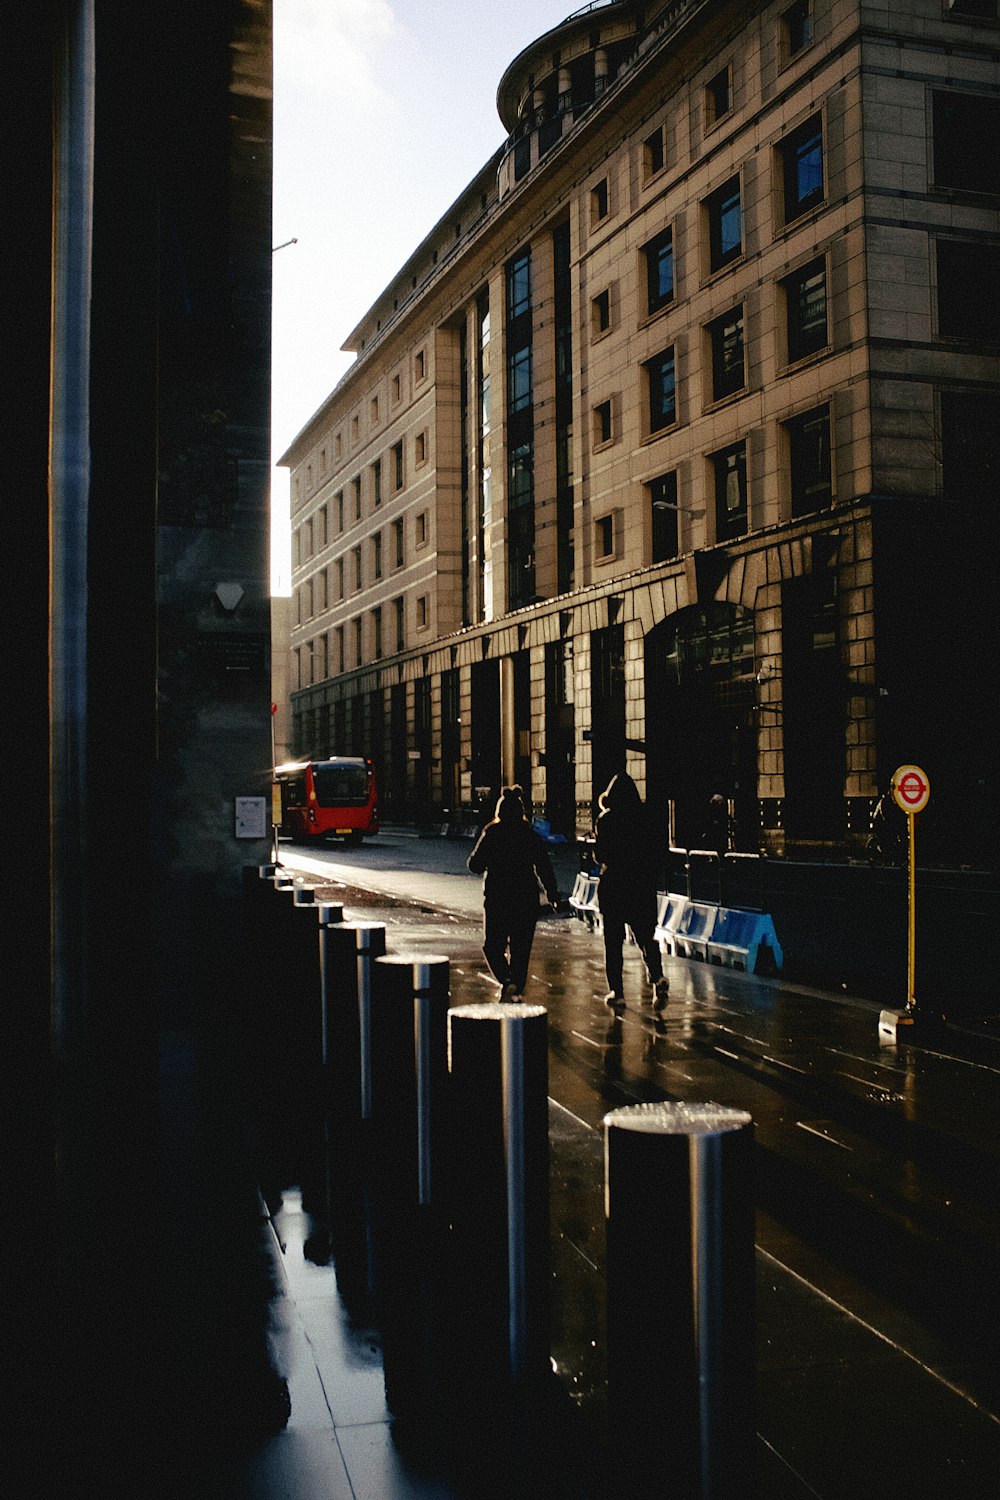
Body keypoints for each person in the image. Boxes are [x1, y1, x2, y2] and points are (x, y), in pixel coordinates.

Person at [467, 785, 559, 1001]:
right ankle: (516, 990)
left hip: (497, 897)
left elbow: (474, 865)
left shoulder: (492, 832)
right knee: (521, 949)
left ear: (500, 812)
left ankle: (506, 981)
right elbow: (544, 867)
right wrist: (552, 894)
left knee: (492, 946)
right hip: (526, 898)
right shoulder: (530, 835)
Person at [594, 771, 669, 1012]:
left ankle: (618, 993)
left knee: (613, 943)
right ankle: (657, 977)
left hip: (614, 886)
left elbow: (601, 854)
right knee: (646, 936)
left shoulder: (606, 820)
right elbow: (659, 852)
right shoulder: (647, 818)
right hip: (642, 886)